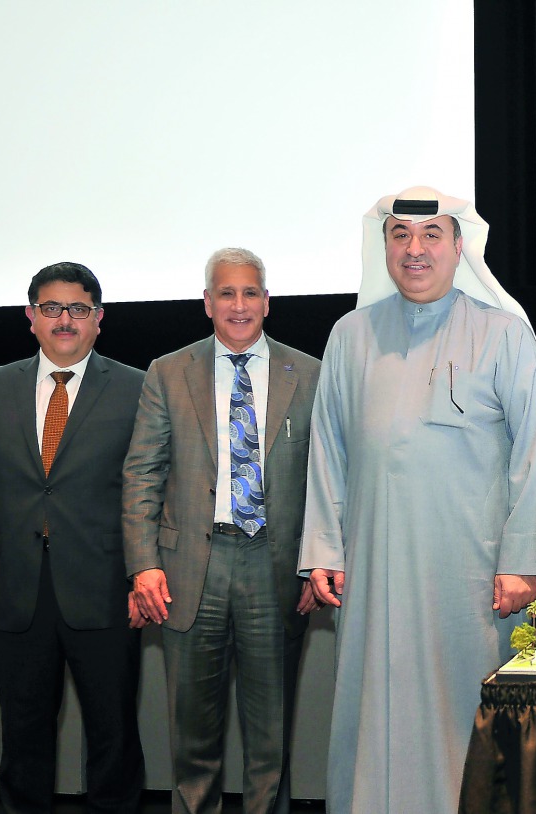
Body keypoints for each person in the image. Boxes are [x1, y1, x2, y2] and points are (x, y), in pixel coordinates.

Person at [299, 186, 536, 814]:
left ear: (458, 245)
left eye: (431, 235)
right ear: (384, 245)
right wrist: (323, 551)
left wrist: (522, 562)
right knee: (371, 705)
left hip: (468, 577)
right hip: (371, 569)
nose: (415, 250)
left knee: (458, 707)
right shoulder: (352, 335)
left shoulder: (505, 334)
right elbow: (327, 449)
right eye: (400, 236)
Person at [122, 248, 321, 814]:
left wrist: (318, 560)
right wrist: (143, 564)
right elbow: (142, 473)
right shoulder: (168, 371)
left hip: (275, 566)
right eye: (227, 293)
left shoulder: (308, 373)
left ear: (267, 302)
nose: (239, 305)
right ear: (207, 303)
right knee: (192, 737)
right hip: (187, 572)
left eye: (250, 292)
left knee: (270, 739)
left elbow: (330, 478)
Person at [0, 262, 146, 814]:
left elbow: (153, 490)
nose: (65, 320)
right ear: (30, 316)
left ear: (99, 320)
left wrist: (144, 575)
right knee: (23, 738)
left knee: (114, 737)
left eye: (78, 309)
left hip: (107, 591)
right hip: (14, 591)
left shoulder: (136, 388)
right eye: (51, 308)